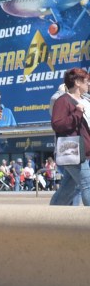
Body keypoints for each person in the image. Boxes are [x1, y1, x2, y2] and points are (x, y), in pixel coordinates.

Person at [49, 67, 90, 206]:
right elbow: (57, 124)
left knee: (68, 189)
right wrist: (77, 114)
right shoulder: (63, 101)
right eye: (87, 81)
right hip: (74, 151)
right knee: (87, 184)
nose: (89, 84)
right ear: (77, 82)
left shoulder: (85, 100)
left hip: (83, 153)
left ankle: (51, 217)